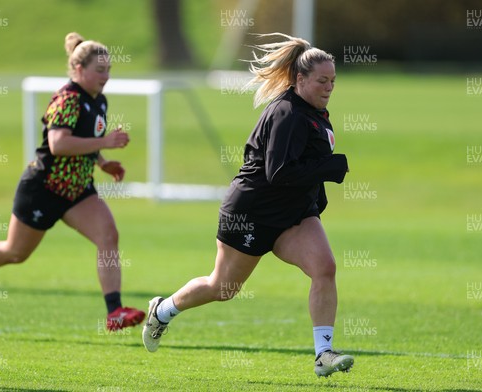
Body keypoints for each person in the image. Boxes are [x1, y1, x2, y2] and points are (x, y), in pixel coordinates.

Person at [142, 33, 353, 377]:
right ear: (300, 80)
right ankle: (162, 311)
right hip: (251, 213)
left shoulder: (315, 111)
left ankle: (323, 354)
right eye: (322, 80)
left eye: (332, 81)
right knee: (221, 288)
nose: (329, 86)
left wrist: (317, 196)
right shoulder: (288, 113)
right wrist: (331, 168)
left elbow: (305, 165)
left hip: (293, 216)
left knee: (325, 268)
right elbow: (279, 171)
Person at [0, 32, 145, 331]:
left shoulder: (99, 101)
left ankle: (114, 311)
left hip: (78, 190)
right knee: (15, 253)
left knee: (108, 235)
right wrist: (105, 141)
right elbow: (58, 144)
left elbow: (85, 142)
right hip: (43, 188)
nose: (106, 76)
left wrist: (103, 162)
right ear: (80, 69)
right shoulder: (66, 99)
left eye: (108, 70)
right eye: (100, 70)